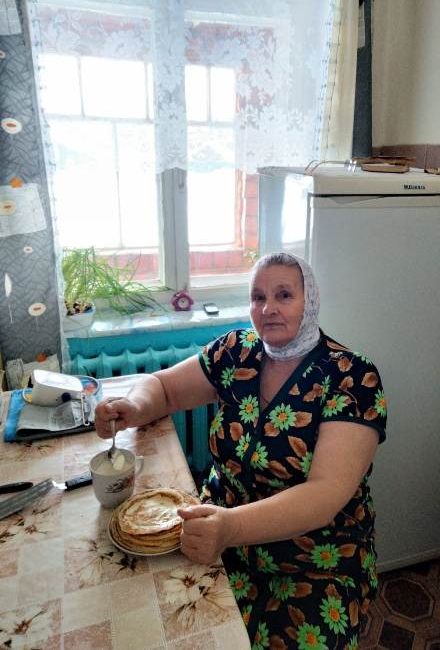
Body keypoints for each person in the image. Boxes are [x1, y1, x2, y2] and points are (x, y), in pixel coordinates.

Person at [95, 252, 387, 649]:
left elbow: (325, 495)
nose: (268, 308)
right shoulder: (236, 351)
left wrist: (231, 528)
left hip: (314, 557)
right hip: (217, 527)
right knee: (153, 618)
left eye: (285, 295)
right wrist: (133, 407)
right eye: (258, 297)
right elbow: (163, 388)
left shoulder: (352, 377)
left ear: (310, 301)